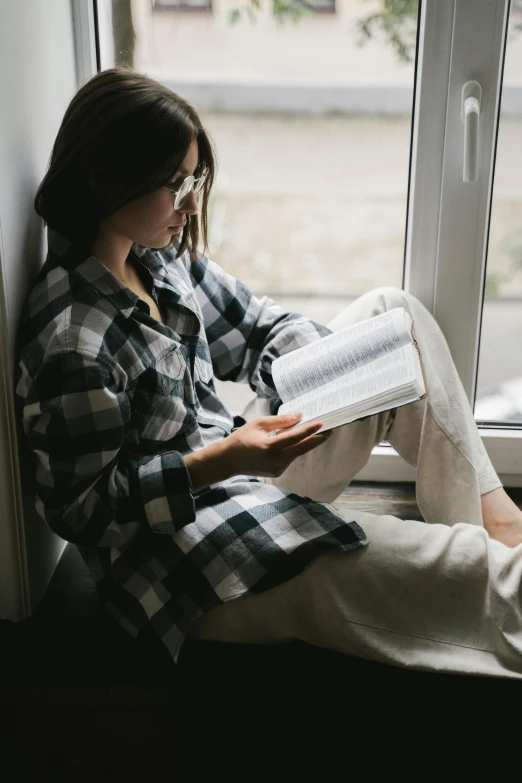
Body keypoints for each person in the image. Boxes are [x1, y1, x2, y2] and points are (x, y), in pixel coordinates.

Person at [15, 68, 522, 680]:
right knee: (462, 571)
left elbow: (257, 326)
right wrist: (227, 459)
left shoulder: (151, 257)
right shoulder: (75, 341)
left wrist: (327, 381)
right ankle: (493, 574)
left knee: (396, 318)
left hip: (242, 469)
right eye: (175, 186)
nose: (192, 204)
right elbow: (86, 510)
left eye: (194, 180)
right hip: (191, 565)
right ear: (108, 179)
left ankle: (499, 523)